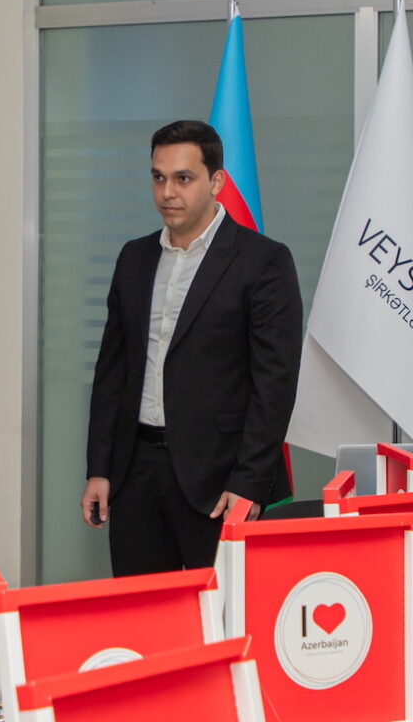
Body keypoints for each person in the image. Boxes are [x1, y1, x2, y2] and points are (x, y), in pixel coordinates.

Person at [84, 119, 301, 574]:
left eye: (183, 178)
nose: (168, 192)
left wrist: (249, 483)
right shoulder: (134, 258)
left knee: (223, 610)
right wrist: (100, 469)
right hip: (134, 473)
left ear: (216, 182)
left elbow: (275, 385)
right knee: (144, 608)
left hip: (221, 481)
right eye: (158, 177)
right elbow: (112, 372)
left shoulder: (263, 261)